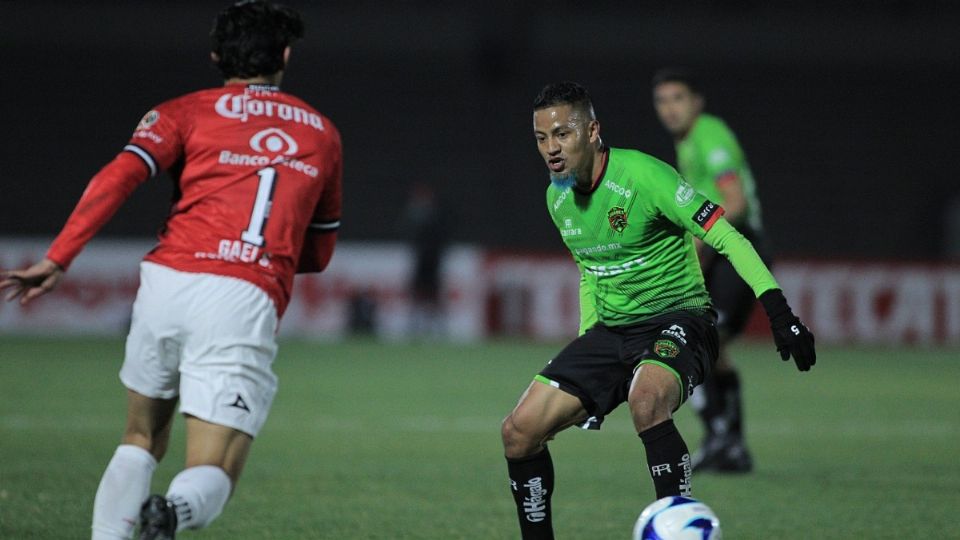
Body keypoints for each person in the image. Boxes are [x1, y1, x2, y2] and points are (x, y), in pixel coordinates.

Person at [0, 2, 342, 539]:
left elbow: (116, 177)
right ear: (285, 55)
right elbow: (318, 256)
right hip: (242, 292)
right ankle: (171, 515)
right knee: (214, 465)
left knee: (139, 438)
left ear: (214, 57)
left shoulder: (180, 112)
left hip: (167, 282)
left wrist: (59, 257)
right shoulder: (321, 133)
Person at [500, 81, 814, 539]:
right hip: (612, 333)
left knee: (646, 401)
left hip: (681, 319)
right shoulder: (557, 196)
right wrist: (589, 335)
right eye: (541, 137)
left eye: (562, 134)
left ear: (592, 131)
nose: (551, 148)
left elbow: (727, 236)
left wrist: (780, 311)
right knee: (518, 431)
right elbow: (592, 271)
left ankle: (680, 522)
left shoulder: (645, 176)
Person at [652, 67, 768, 472]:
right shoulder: (688, 144)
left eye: (678, 98)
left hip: (737, 247)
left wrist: (698, 245)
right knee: (712, 346)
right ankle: (728, 443)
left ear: (697, 102)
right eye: (662, 100)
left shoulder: (709, 136)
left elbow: (734, 202)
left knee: (700, 340)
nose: (669, 109)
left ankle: (723, 437)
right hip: (723, 251)